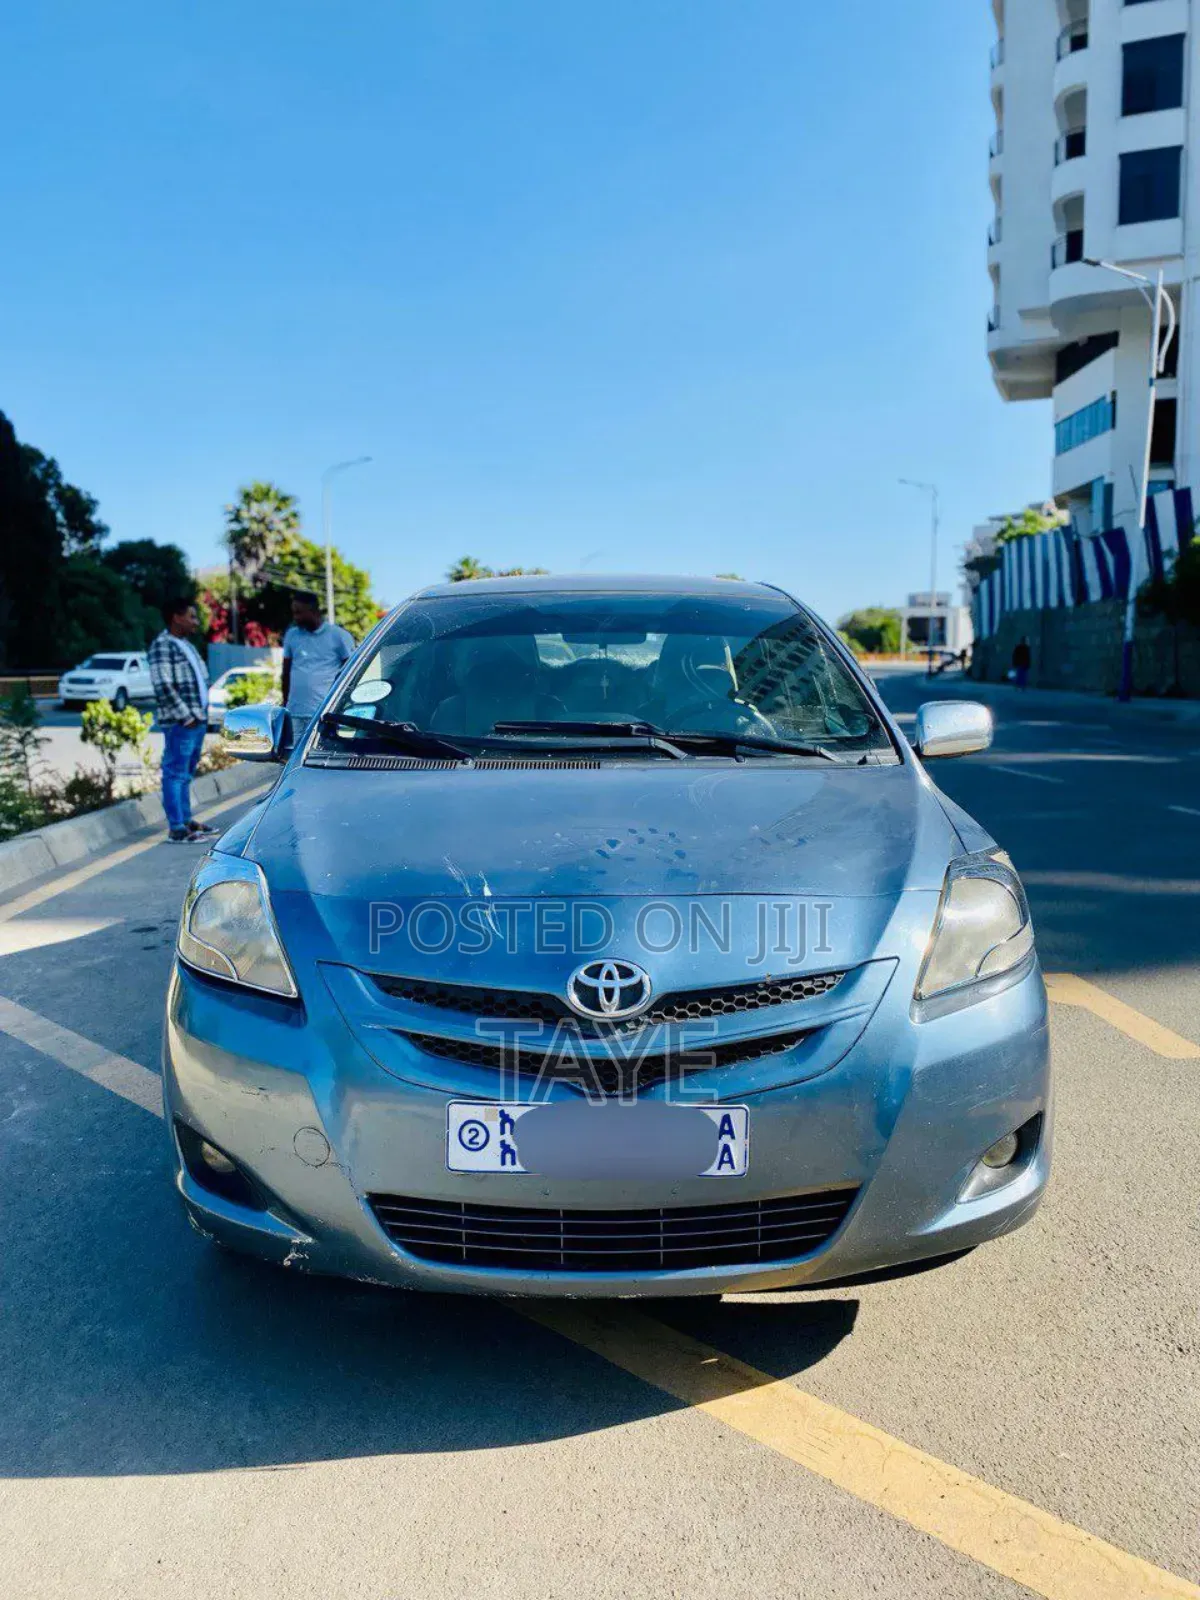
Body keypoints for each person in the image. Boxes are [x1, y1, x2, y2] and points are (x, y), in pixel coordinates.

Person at [148, 597, 218, 843]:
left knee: (186, 773)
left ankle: (187, 820)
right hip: (183, 722)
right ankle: (177, 827)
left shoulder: (184, 644)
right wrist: (185, 716)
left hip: (196, 719)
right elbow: (163, 685)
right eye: (191, 616)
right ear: (176, 617)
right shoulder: (162, 645)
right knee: (175, 772)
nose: (195, 621)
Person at [281, 591, 355, 722]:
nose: (295, 617)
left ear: (313, 611)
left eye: (298, 612)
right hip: (295, 714)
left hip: (324, 714)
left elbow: (352, 673)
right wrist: (285, 704)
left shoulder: (338, 635)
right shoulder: (291, 635)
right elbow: (285, 672)